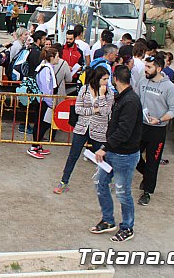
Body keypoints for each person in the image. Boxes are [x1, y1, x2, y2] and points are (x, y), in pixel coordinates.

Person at [91, 65, 141, 243]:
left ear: (115, 80)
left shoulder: (130, 101)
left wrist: (105, 147)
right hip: (114, 152)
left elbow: (124, 131)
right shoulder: (122, 97)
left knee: (122, 191)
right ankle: (108, 220)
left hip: (125, 156)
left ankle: (127, 227)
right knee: (100, 183)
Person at [53, 66, 114, 194]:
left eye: (108, 79)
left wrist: (101, 97)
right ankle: (64, 181)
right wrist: (94, 110)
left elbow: (105, 111)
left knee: (104, 156)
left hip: (99, 130)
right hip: (82, 128)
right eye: (104, 79)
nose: (106, 82)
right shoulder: (84, 89)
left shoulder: (109, 93)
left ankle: (108, 181)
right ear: (97, 79)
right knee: (73, 155)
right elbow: (78, 109)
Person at [134, 55, 174, 206]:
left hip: (157, 130)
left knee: (153, 162)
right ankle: (147, 175)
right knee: (133, 155)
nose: (145, 70)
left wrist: (159, 119)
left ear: (159, 69)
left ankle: (147, 191)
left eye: (149, 67)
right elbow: (136, 99)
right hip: (141, 126)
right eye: (145, 66)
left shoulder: (169, 87)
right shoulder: (142, 81)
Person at [27, 47, 58, 159]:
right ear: (51, 57)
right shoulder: (45, 69)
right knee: (41, 123)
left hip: (45, 100)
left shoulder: (46, 67)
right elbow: (45, 88)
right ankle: (34, 146)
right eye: (57, 56)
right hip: (44, 101)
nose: (58, 59)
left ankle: (38, 144)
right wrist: (50, 103)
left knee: (43, 123)